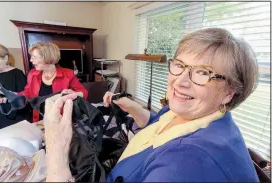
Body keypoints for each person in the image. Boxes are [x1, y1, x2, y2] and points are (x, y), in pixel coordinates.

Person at [43, 28, 260, 182]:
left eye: (203, 73)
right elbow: (157, 125)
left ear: (229, 93)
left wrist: (56, 151)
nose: (180, 81)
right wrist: (133, 107)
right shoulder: (189, 113)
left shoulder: (187, 163)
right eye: (180, 65)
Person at [0, 42, 88, 122]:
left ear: (47, 58)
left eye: (34, 57)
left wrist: (74, 94)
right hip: (39, 119)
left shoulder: (68, 74)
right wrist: (2, 90)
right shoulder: (33, 74)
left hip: (61, 119)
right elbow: (27, 94)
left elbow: (84, 92)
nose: (31, 60)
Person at [0, 43, 31, 130]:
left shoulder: (17, 74)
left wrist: (1, 100)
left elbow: (23, 100)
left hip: (17, 120)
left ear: (5, 58)